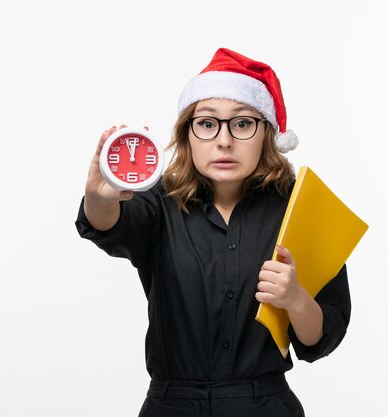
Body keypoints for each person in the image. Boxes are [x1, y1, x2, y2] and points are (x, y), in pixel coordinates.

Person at [75, 48, 351, 417]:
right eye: (207, 124)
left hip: (265, 405)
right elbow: (110, 223)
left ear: (267, 132)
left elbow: (319, 339)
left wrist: (295, 299)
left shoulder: (301, 210)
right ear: (188, 134)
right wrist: (98, 196)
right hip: (171, 405)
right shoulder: (160, 205)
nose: (224, 141)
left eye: (241, 124)